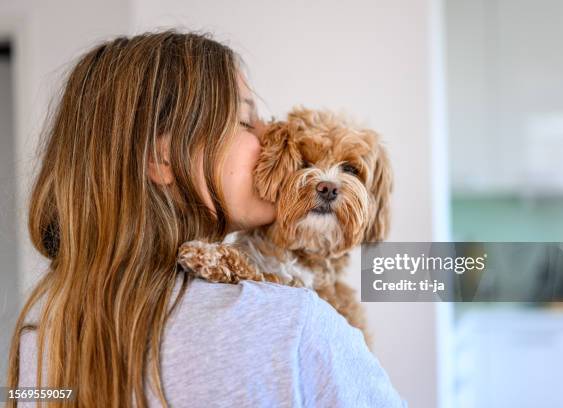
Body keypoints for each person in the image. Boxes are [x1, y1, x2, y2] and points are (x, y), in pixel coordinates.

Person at [6, 30, 408, 407]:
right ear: (161, 158)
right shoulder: (292, 325)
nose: (272, 136)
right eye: (247, 121)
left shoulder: (43, 344)